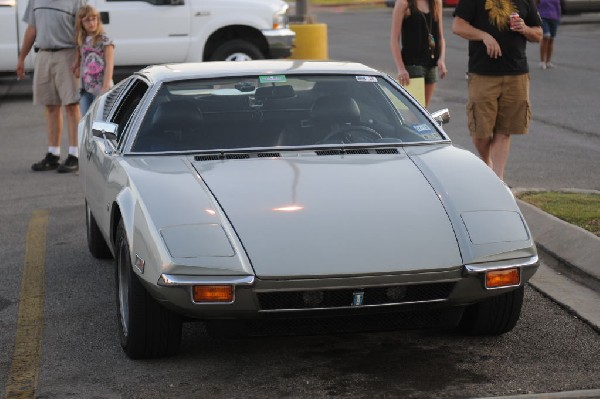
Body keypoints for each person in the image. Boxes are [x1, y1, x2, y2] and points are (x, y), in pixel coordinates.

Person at [452, 0, 542, 181]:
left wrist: (524, 28)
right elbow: (458, 26)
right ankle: (488, 164)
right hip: (483, 73)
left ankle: (497, 179)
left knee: (504, 130)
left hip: (516, 73)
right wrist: (483, 36)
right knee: (480, 133)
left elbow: (538, 33)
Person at [16, 0, 86, 173]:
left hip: (68, 55)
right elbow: (32, 29)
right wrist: (21, 58)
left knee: (71, 106)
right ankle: (53, 154)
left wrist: (79, 60)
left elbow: (82, 32)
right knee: (51, 107)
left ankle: (75, 155)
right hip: (44, 56)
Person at [390, 0, 447, 108]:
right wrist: (401, 68)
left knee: (424, 112)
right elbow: (394, 40)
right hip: (412, 65)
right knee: (413, 112)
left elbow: (440, 37)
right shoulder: (404, 3)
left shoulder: (436, 3)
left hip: (431, 65)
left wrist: (441, 59)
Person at [73, 5, 114, 116]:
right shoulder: (81, 40)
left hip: (102, 88)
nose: (91, 23)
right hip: (85, 90)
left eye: (93, 19)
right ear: (81, 23)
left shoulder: (105, 40)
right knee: (86, 119)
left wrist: (105, 87)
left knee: (100, 120)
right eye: (87, 20)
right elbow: (79, 62)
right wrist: (76, 67)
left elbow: (109, 64)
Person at [537, 0, 561, 69]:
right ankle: (542, 62)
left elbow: (559, 6)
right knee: (546, 36)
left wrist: (559, 17)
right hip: (543, 17)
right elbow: (534, 5)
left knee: (551, 39)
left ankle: (548, 62)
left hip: (554, 18)